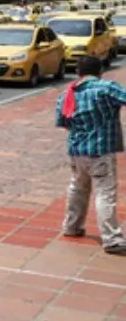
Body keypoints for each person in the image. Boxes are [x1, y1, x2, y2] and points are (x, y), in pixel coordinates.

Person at [55, 55, 126, 255]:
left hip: (76, 150)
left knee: (77, 188)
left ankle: (72, 226)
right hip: (100, 150)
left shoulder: (67, 94)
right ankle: (111, 238)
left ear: (78, 72)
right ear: (100, 71)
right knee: (105, 192)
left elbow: (62, 122)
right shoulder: (106, 88)